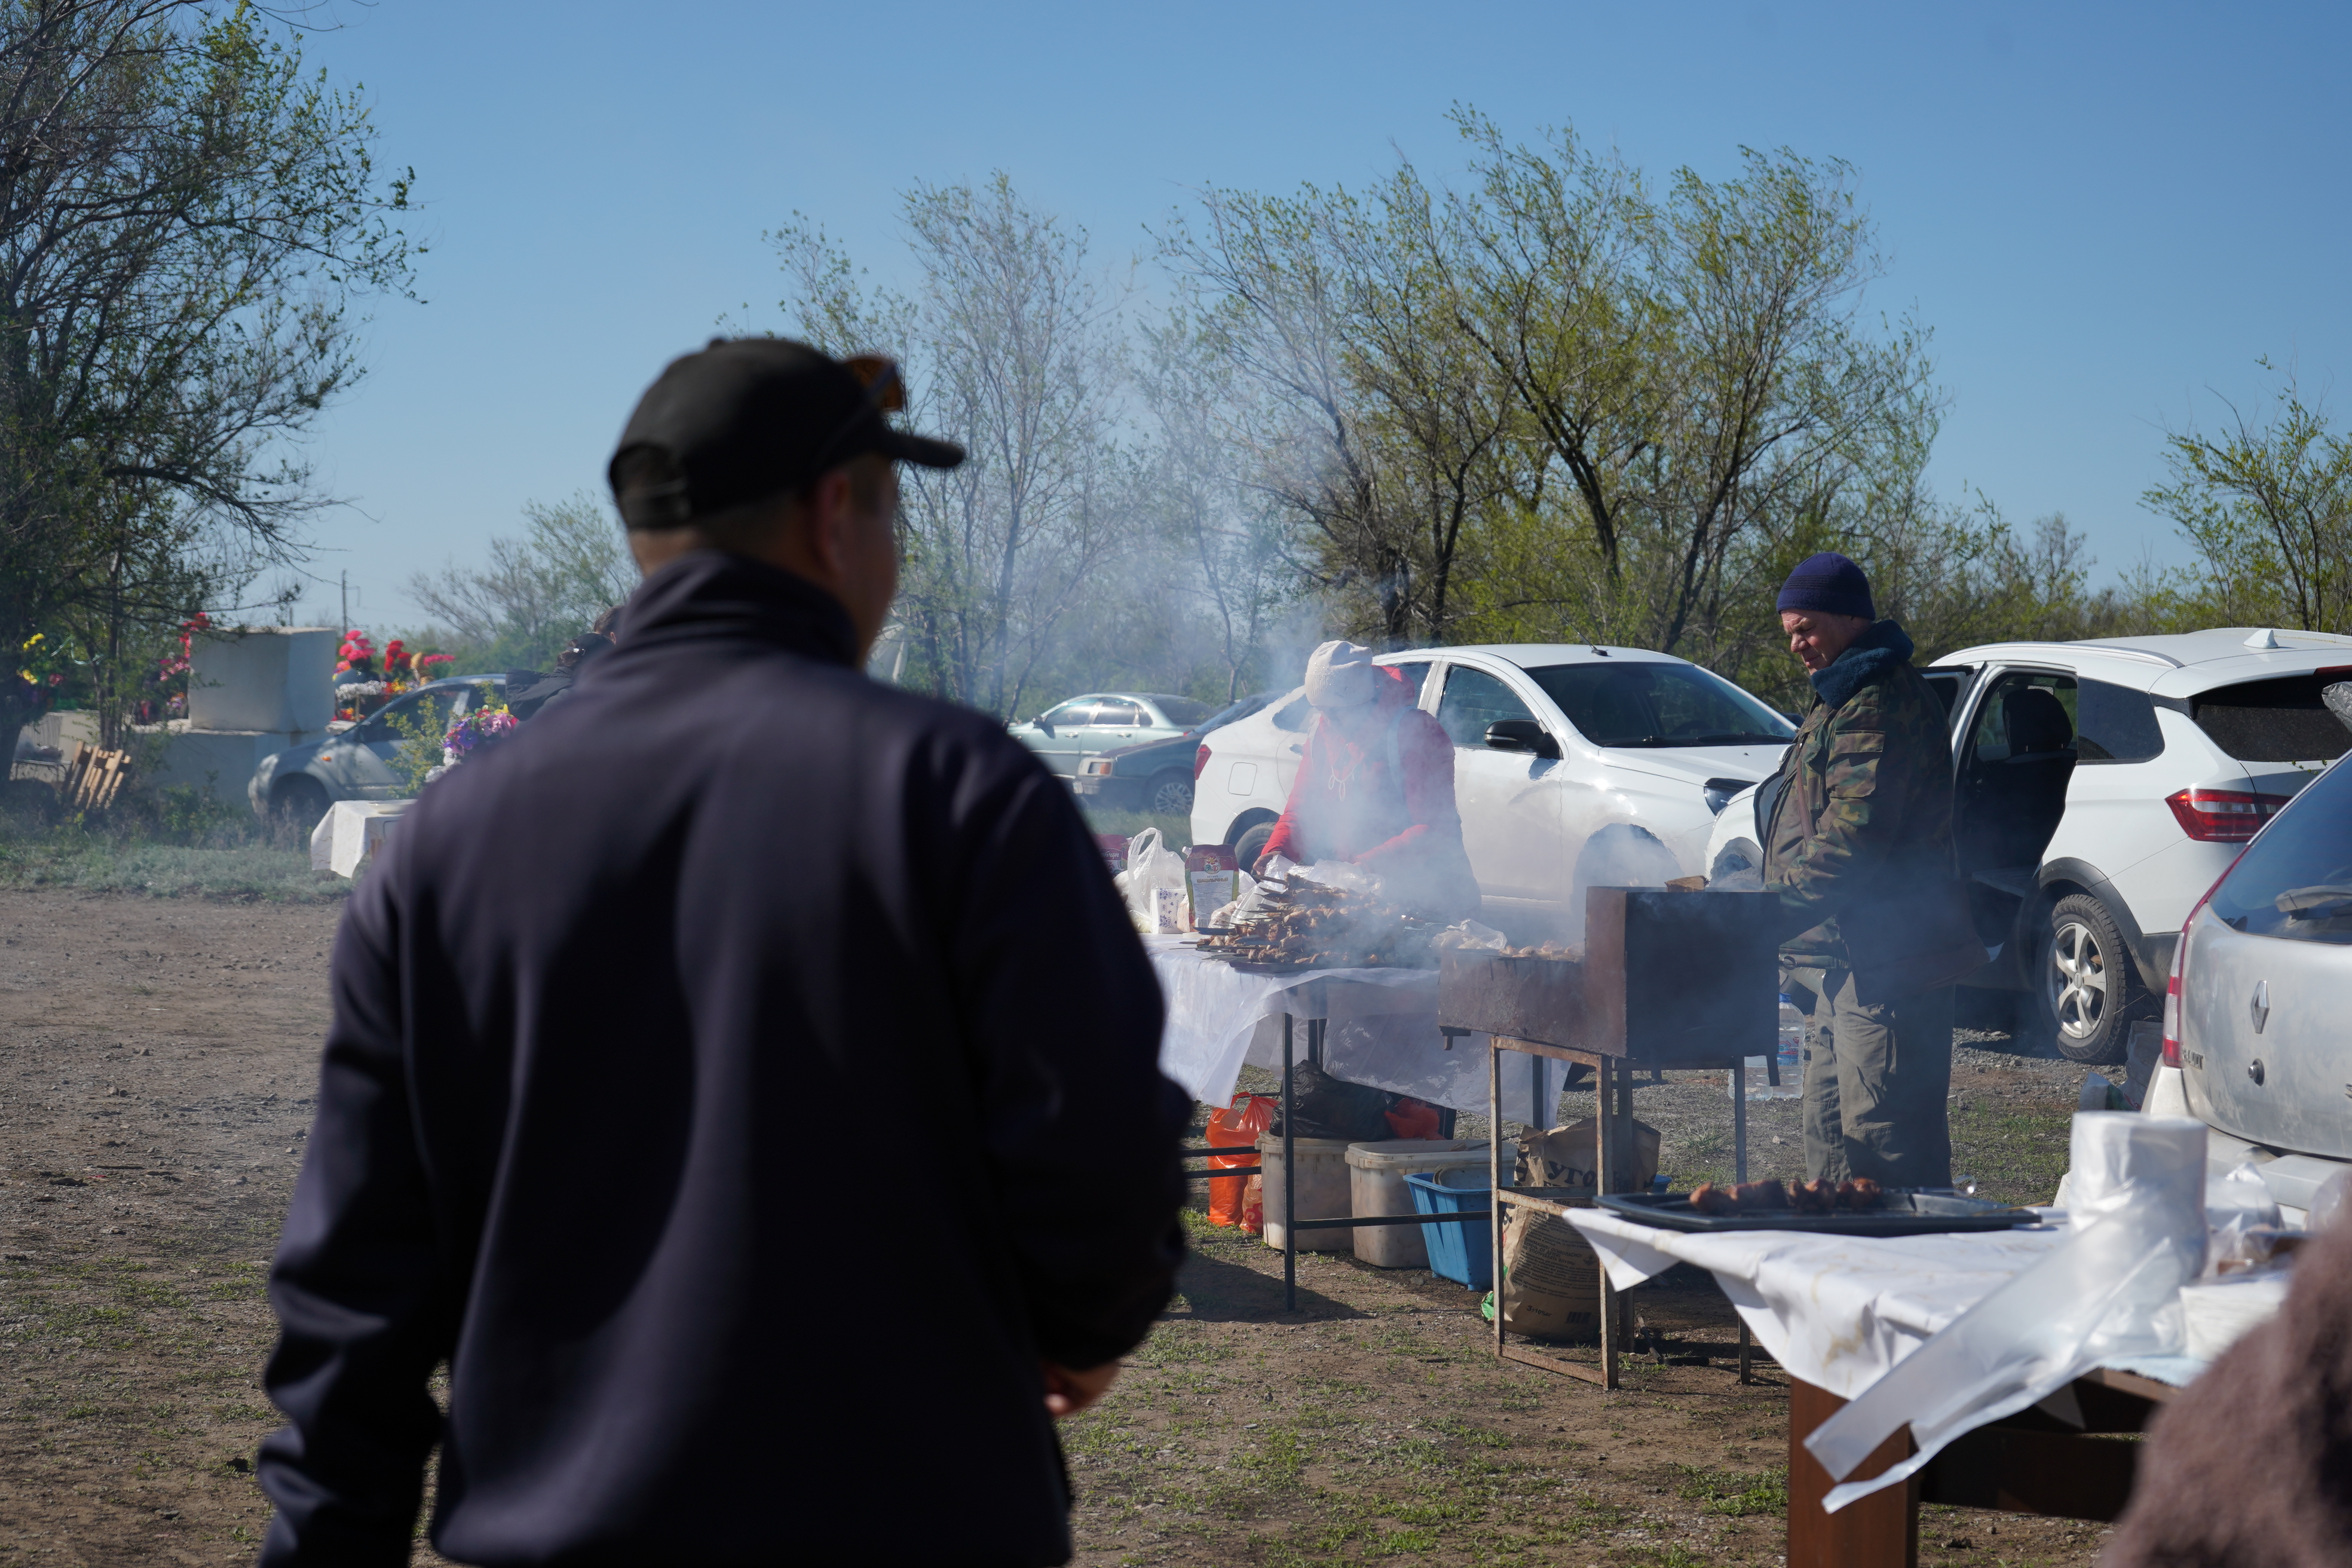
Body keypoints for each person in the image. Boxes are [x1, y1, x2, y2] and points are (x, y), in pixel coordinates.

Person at [257, 338, 1190, 1566]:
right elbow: (1098, 1141)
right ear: (835, 512)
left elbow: (357, 1289)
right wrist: (1083, 1321)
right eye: (892, 516)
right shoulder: (962, 792)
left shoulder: (445, 841)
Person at [1762, 552, 1983, 1189]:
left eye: (1807, 629)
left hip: (1890, 964)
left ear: (1850, 618)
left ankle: (1898, 1256)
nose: (1797, 646)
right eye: (1791, 634)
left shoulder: (1876, 702)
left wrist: (1761, 919)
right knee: (1832, 1149)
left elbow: (1852, 841)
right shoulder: (1840, 696)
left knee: (1884, 1152)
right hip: (1847, 960)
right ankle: (1836, 1252)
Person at [1254, 639, 1480, 918]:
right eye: (1321, 708)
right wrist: (1277, 852)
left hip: (1429, 898)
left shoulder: (1416, 732)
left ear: (1363, 700)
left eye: (1337, 709)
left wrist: (1361, 869)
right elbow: (1301, 812)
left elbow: (1434, 829)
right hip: (1360, 898)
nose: (1328, 718)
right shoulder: (1322, 734)